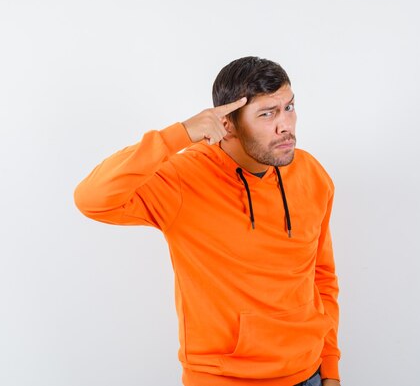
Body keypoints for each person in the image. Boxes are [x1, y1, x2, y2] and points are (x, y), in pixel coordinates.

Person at [74, 56, 342, 386]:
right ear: (227, 124)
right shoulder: (183, 180)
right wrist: (179, 135)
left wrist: (330, 366)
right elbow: (92, 198)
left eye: (289, 107)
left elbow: (321, 277)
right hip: (223, 379)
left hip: (309, 374)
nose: (286, 125)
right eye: (267, 113)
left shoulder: (312, 174)